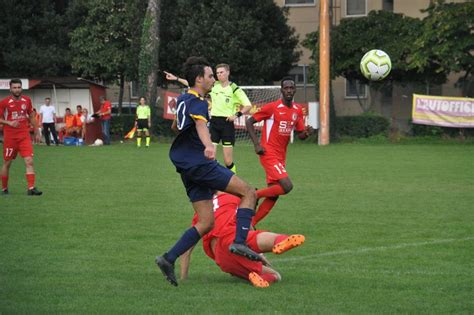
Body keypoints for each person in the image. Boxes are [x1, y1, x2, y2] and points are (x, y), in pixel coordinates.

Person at [156, 56, 260, 287]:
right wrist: (208, 146)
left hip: (185, 166)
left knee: (206, 222)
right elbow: (202, 126)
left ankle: (168, 258)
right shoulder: (200, 102)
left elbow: (176, 126)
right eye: (210, 75)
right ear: (199, 79)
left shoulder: (183, 100)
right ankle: (240, 242)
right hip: (201, 164)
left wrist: (192, 142)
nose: (213, 78)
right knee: (248, 193)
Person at [181, 192, 305, 288]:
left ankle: (252, 275)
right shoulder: (232, 197)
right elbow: (247, 224)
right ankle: (281, 240)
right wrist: (259, 255)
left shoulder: (200, 215)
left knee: (240, 269)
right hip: (234, 236)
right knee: (275, 273)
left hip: (221, 255)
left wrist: (183, 279)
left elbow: (186, 250)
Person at [246, 77, 312, 226]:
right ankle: (254, 195)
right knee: (287, 186)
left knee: (274, 194)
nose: (289, 90)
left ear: (295, 90)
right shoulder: (272, 107)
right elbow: (249, 121)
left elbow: (301, 134)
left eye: (291, 88)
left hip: (281, 156)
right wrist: (257, 144)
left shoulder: (297, 110)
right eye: (286, 88)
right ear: (281, 90)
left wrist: (307, 133)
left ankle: (251, 224)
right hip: (268, 152)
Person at [164, 63, 252, 173]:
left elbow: (248, 105)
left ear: (228, 72)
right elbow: (194, 84)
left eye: (222, 72)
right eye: (217, 73)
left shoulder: (234, 88)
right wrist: (176, 78)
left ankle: (231, 180)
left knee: (228, 161)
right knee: (210, 157)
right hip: (214, 123)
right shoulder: (213, 85)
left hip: (226, 124)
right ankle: (214, 184)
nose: (219, 75)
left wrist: (236, 115)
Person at [0, 79, 42, 195]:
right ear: (10, 89)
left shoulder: (27, 101)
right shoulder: (4, 103)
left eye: (19, 87)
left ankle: (31, 188)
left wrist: (37, 131)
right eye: (14, 87)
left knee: (29, 161)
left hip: (24, 136)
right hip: (10, 138)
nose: (17, 89)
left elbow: (32, 117)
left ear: (21, 88)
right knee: (7, 163)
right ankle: (4, 188)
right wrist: (9, 123)